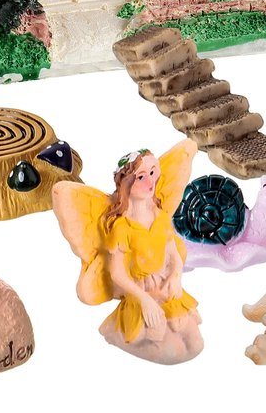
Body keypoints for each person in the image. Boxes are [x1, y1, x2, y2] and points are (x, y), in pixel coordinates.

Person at [52, 140, 203, 364]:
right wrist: (144, 300)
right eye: (141, 177)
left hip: (166, 287)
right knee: (174, 352)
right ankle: (117, 331)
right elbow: (117, 274)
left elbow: (173, 253)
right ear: (127, 184)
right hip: (140, 293)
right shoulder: (122, 226)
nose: (150, 182)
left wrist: (175, 275)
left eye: (152, 173)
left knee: (196, 345)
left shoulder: (159, 214)